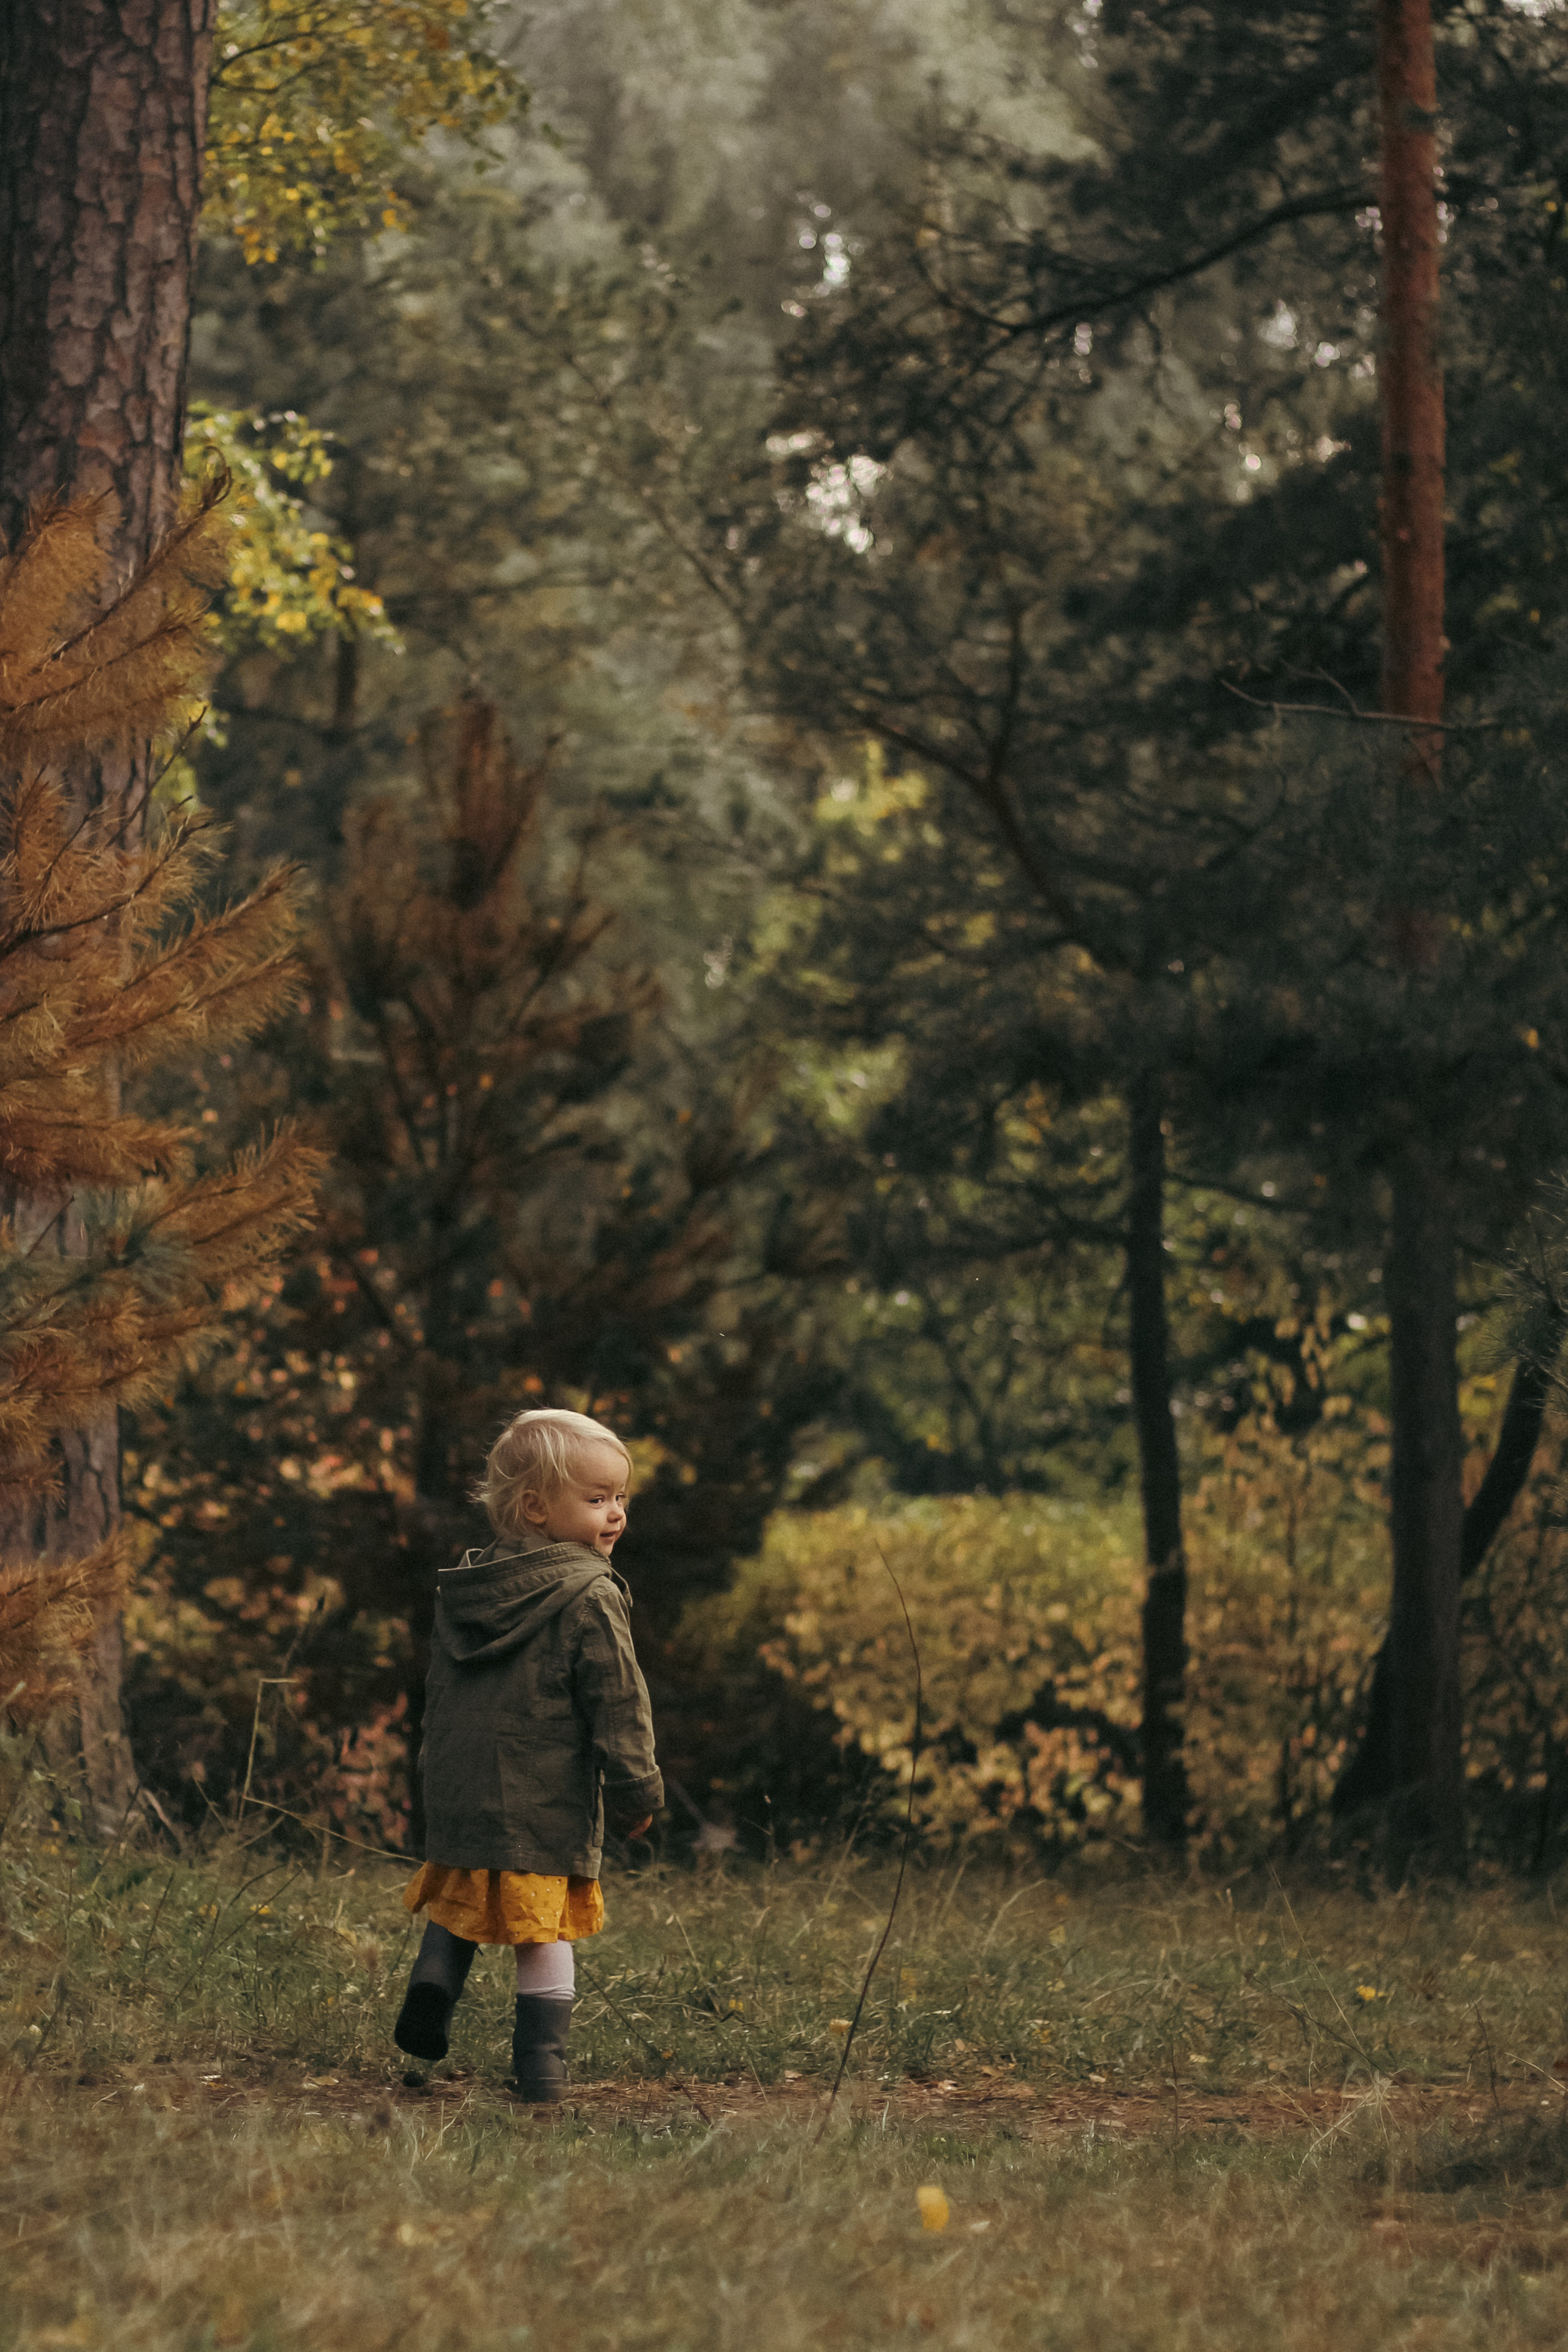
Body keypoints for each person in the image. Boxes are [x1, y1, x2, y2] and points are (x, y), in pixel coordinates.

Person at [393, 1407, 662, 2101]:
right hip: (539, 1794)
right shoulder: (590, 1593)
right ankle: (542, 2065)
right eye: (597, 1499)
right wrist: (637, 1788)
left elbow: (440, 1689)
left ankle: (431, 1987)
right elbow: (619, 1702)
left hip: (460, 1787)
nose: (615, 1515)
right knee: (543, 1929)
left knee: (461, 1904)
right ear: (538, 1508)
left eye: (620, 1498)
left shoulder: (470, 1585)